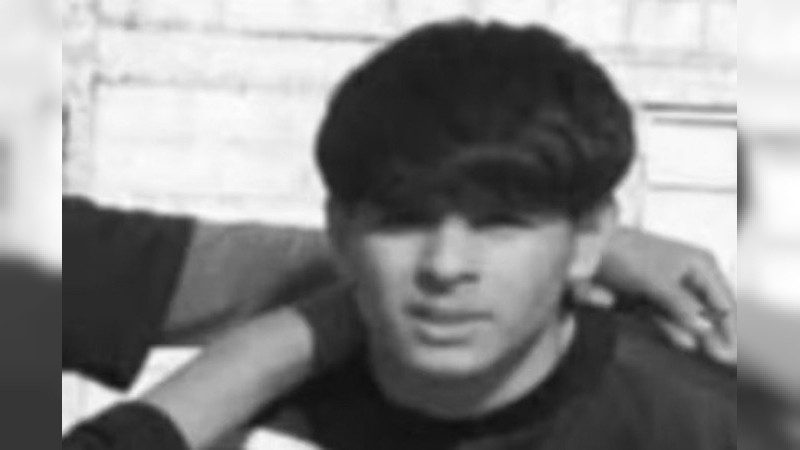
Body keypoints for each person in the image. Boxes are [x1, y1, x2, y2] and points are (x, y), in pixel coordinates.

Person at [251, 21, 736, 449]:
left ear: (589, 239)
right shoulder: (255, 419)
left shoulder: (710, 425)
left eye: (500, 224)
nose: (445, 265)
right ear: (340, 233)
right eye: (404, 222)